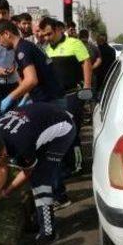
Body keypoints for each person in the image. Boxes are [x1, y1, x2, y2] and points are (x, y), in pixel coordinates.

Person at [0, 102, 76, 245]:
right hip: (43, 116)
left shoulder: (21, 146)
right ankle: (41, 219)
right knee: (37, 172)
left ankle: (48, 232)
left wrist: (8, 190)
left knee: (40, 179)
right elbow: (0, 167)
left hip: (63, 128)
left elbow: (27, 172)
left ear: (3, 153)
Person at [41, 17, 92, 183]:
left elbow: (86, 63)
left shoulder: (74, 44)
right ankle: (66, 164)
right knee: (60, 132)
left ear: (58, 29)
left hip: (73, 94)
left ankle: (77, 165)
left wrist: (87, 86)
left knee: (73, 130)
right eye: (45, 35)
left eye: (49, 34)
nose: (47, 38)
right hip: (56, 97)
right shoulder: (47, 49)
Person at [0, 19, 64, 109]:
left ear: (7, 34)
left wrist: (10, 97)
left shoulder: (22, 50)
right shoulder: (26, 46)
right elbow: (39, 76)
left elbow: (31, 80)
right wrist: (26, 98)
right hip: (50, 98)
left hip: (50, 101)